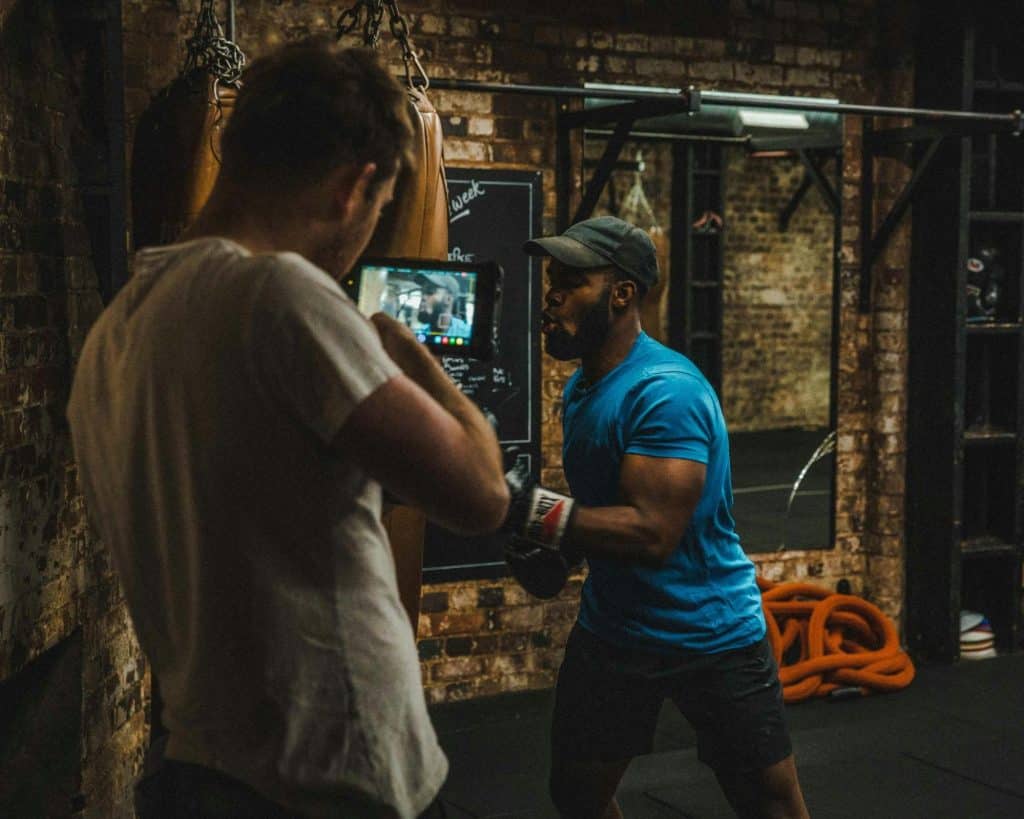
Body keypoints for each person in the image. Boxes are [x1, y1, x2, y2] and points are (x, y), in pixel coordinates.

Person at [67, 39, 509, 819]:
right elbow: (481, 495)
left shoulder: (114, 333)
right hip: (333, 778)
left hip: (200, 768)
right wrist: (412, 357)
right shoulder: (279, 297)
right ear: (354, 187)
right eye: (377, 211)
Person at [506, 216, 809, 819]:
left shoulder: (666, 392)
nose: (552, 295)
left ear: (622, 294)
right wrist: (561, 551)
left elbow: (652, 533)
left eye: (572, 282)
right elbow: (605, 508)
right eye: (552, 281)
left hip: (710, 633)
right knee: (577, 795)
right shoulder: (583, 388)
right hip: (616, 628)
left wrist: (528, 510)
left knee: (768, 804)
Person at [417, 273, 470, 337]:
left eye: (430, 291)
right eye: (422, 292)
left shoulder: (466, 333)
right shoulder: (421, 333)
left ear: (448, 299)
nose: (423, 297)